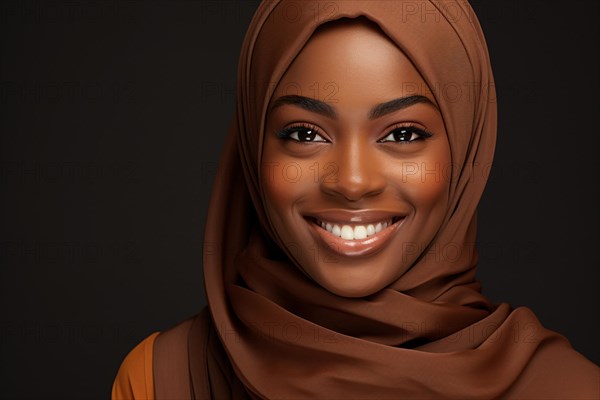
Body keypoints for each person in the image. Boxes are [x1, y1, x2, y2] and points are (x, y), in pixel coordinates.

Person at [112, 1, 599, 399]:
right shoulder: (163, 381)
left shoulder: (568, 390)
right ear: (254, 146)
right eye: (305, 133)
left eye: (403, 134)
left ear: (466, 150)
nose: (351, 181)